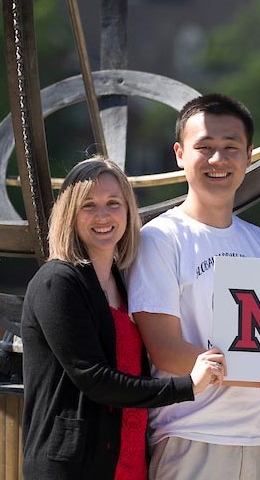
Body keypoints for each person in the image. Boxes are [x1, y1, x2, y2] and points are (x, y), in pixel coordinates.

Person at [21, 156, 225, 480]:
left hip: (128, 462)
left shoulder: (126, 283)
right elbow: (96, 379)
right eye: (88, 205)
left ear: (129, 212)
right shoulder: (57, 281)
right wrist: (186, 386)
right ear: (70, 214)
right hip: (75, 468)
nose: (103, 216)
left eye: (113, 203)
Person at [127, 94, 260, 480]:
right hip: (190, 436)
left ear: (249, 155)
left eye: (230, 148)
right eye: (204, 147)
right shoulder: (160, 239)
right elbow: (167, 352)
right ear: (179, 154)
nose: (217, 160)